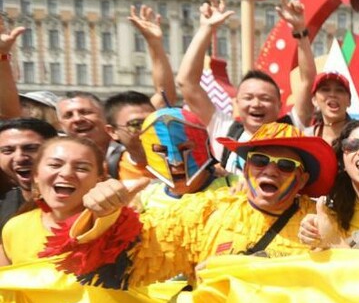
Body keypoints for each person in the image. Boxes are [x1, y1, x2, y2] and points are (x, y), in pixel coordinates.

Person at [41, 123, 335, 288]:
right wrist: (104, 216)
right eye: (259, 161)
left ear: (301, 178)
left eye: (285, 165)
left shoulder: (324, 218)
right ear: (245, 169)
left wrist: (331, 242)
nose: (270, 171)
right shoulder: (205, 211)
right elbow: (126, 263)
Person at [175, 0, 315, 174]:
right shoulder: (224, 130)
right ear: (237, 103)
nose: (256, 104)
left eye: (265, 98)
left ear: (279, 104)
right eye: (248, 97)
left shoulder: (293, 127)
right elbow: (186, 82)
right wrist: (206, 29)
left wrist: (300, 31)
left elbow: (307, 80)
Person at [1, 136, 103, 266]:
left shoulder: (113, 226)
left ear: (98, 180)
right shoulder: (15, 227)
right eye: (55, 165)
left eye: (81, 168)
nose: (66, 173)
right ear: (36, 175)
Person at [134, 107, 235, 210]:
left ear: (206, 147)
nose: (176, 162)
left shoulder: (235, 188)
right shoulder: (144, 201)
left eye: (186, 148)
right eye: (161, 150)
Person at [0, 118, 58, 231]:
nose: (19, 158)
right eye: (8, 151)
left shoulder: (82, 202)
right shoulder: (3, 207)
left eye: (31, 148)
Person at [103, 91, 155, 181]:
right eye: (136, 124)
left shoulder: (182, 164)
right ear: (113, 132)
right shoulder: (109, 170)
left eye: (153, 122)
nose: (148, 130)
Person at [308, 72, 354, 145]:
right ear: (314, 100)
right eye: (325, 89)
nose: (332, 94)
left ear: (349, 101)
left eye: (339, 90)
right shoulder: (306, 137)